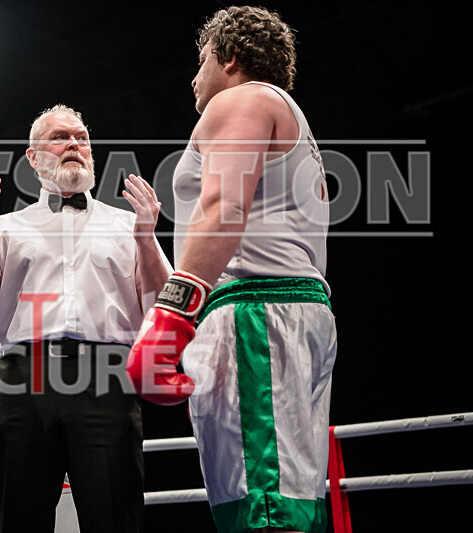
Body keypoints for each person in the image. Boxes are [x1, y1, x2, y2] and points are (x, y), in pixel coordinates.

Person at [127, 6, 336, 533]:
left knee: (262, 506)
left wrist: (170, 318)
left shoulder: (241, 99)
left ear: (231, 57)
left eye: (201, 61)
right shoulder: (286, 116)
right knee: (288, 498)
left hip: (256, 315)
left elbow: (224, 208)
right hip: (288, 314)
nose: (194, 78)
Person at [0, 104, 172, 533]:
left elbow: (164, 313)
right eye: (60, 137)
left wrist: (146, 238)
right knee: (18, 520)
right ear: (33, 157)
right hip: (21, 380)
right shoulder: (4, 227)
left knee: (117, 518)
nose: (73, 144)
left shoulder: (130, 225)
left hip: (107, 378)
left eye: (81, 138)